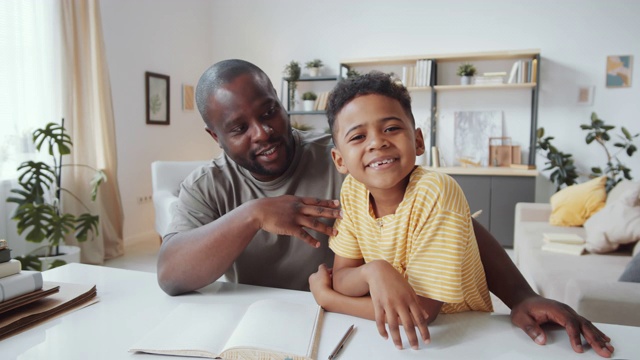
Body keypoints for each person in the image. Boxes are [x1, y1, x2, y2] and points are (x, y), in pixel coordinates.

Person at [157, 59, 614, 358]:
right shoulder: (207, 186)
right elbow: (171, 274)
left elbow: (455, 227)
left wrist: (520, 295)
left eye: (269, 112)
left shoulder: (351, 158)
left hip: (364, 324)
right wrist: (254, 213)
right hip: (274, 326)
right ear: (215, 137)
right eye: (238, 128)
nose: (262, 133)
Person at [312, 71, 492, 350]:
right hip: (394, 337)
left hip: (459, 333)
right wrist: (373, 271)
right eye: (358, 136)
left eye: (391, 129)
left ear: (418, 140)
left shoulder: (437, 191)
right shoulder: (352, 191)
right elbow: (343, 277)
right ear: (340, 160)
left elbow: (422, 311)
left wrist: (328, 300)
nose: (376, 142)